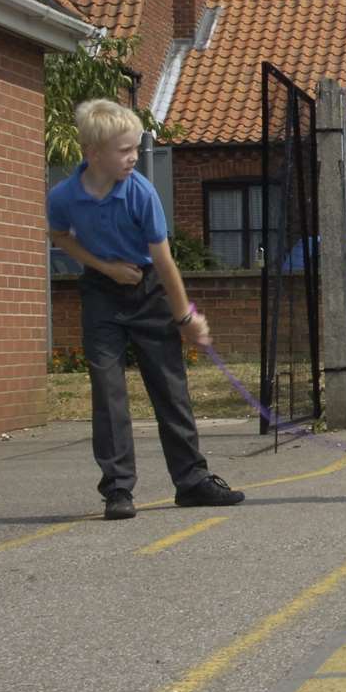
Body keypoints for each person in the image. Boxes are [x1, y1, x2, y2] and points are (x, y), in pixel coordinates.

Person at [47, 99, 244, 520]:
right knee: (108, 390)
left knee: (170, 387)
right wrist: (104, 268)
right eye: (124, 150)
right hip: (101, 292)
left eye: (136, 147)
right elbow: (60, 236)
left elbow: (164, 261)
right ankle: (118, 489)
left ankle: (191, 481)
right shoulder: (64, 197)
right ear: (92, 153)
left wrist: (185, 317)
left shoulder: (141, 191)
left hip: (148, 290)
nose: (134, 156)